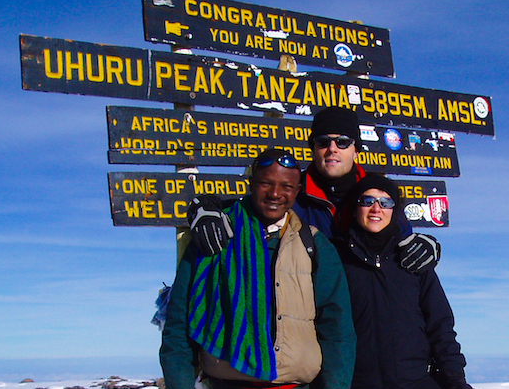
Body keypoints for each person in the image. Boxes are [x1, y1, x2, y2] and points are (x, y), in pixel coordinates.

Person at [159, 149, 356, 389]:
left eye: (287, 186)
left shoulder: (313, 244)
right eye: (266, 183)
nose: (276, 193)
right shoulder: (214, 237)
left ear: (297, 191)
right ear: (252, 183)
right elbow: (179, 320)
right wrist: (180, 388)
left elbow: (337, 327)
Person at [334, 174, 499, 389]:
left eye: (385, 203)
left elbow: (441, 324)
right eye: (368, 200)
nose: (376, 208)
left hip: (417, 379)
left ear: (395, 211)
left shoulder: (412, 259)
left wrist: (454, 378)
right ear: (355, 209)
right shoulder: (337, 259)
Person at [188, 107, 441, 274]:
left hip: (370, 323)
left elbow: (404, 242)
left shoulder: (378, 200)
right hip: (313, 323)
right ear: (313, 148)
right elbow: (242, 207)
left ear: (356, 149)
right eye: (323, 142)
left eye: (342, 142)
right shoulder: (292, 195)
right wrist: (204, 209)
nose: (332, 148)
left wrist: (428, 246)